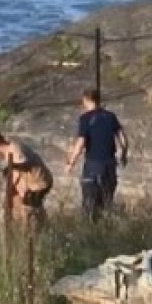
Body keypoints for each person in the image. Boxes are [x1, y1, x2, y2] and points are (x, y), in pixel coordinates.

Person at [65, 89, 129, 219]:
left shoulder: (85, 119)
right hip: (110, 164)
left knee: (90, 205)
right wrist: (123, 155)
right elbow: (123, 138)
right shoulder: (111, 116)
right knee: (106, 202)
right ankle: (105, 232)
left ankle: (91, 233)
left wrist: (71, 163)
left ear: (86, 100)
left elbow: (81, 143)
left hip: (93, 165)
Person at [0, 128, 53, 224]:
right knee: (32, 205)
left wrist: (12, 167)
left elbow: (25, 164)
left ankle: (30, 233)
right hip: (36, 183)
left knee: (28, 209)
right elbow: (17, 174)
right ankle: (44, 226)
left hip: (41, 182)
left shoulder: (14, 149)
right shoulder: (9, 151)